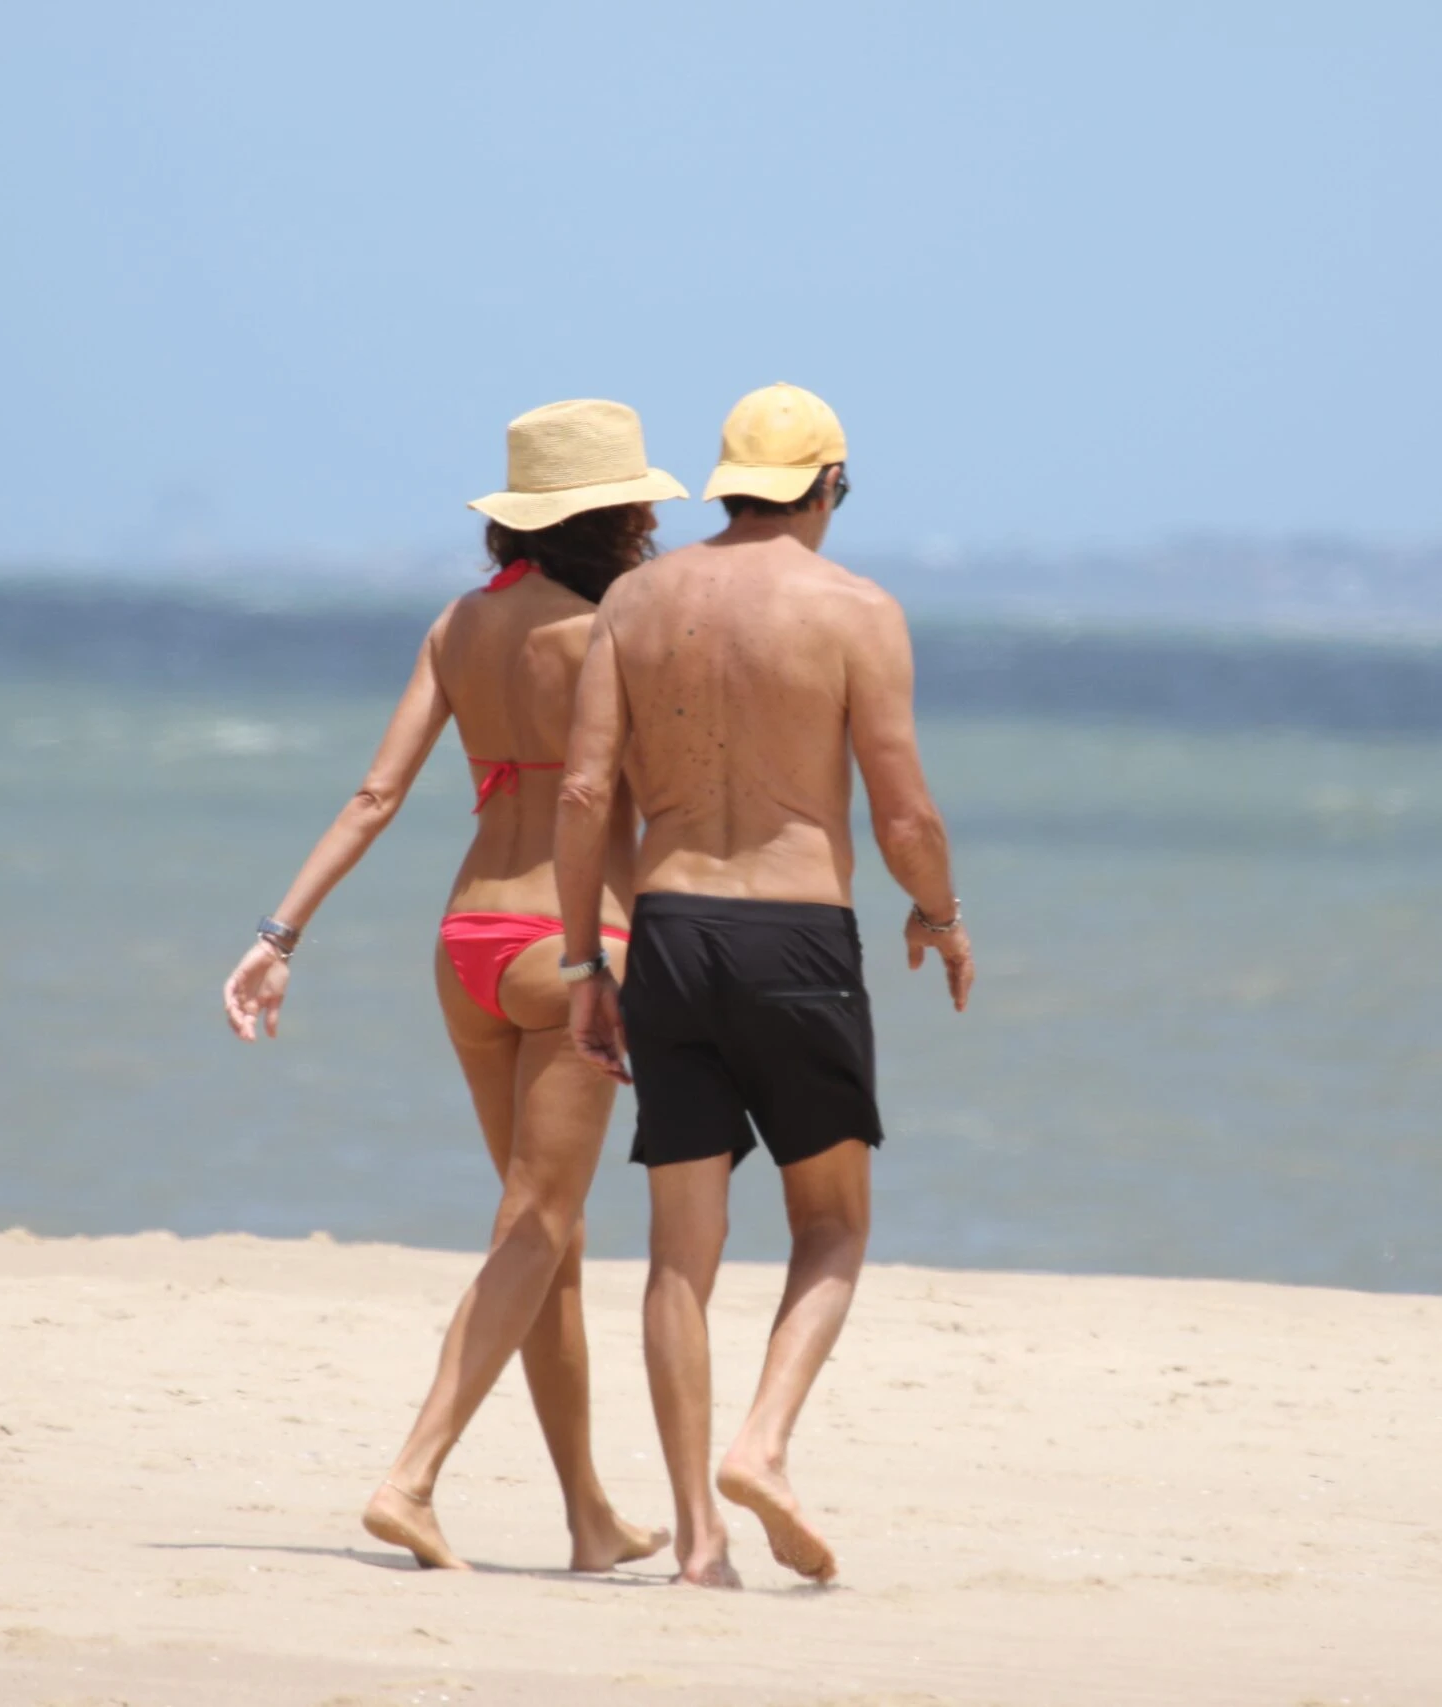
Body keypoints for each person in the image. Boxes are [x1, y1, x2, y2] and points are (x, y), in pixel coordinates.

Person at [220, 398, 685, 1573]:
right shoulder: (610, 637)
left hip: (468, 940)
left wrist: (279, 933)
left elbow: (374, 796)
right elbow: (660, 814)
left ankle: (587, 1515)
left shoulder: (456, 627)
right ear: (622, 519)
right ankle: (412, 1478)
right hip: (577, 948)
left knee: (549, 1237)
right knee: (537, 1226)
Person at [551, 383, 973, 1587]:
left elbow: (586, 796)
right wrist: (939, 919)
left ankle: (696, 1543)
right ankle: (765, 1445)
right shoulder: (856, 610)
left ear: (726, 484)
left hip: (670, 934)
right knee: (832, 1225)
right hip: (796, 938)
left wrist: (587, 960)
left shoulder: (635, 599)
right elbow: (905, 809)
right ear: (828, 486)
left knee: (679, 1251)